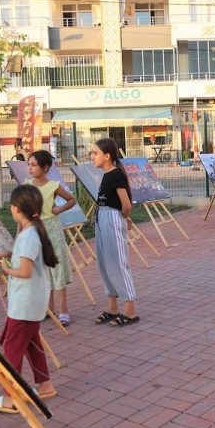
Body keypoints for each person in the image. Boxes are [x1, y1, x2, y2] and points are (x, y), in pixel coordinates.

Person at [0, 184, 58, 414]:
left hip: (26, 303)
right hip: (31, 301)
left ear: (17, 208)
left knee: (12, 349)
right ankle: (45, 384)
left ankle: (12, 398)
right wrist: (11, 255)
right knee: (30, 343)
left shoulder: (29, 234)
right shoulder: (32, 230)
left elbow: (25, 271)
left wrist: (6, 269)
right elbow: (27, 258)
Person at [90, 138, 140, 327]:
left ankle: (130, 310)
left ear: (107, 155)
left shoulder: (115, 174)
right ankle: (112, 307)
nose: (92, 156)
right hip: (102, 219)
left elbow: (126, 204)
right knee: (104, 264)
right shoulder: (106, 175)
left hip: (111, 219)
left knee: (118, 263)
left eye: (95, 153)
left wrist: (123, 217)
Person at [25, 150, 77, 327]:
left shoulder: (53, 185)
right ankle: (49, 308)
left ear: (45, 168)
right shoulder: (26, 185)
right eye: (28, 164)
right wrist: (20, 233)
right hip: (34, 230)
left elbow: (71, 200)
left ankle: (63, 311)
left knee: (57, 267)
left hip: (52, 229)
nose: (29, 168)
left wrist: (59, 210)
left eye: (33, 165)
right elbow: (23, 211)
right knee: (41, 270)